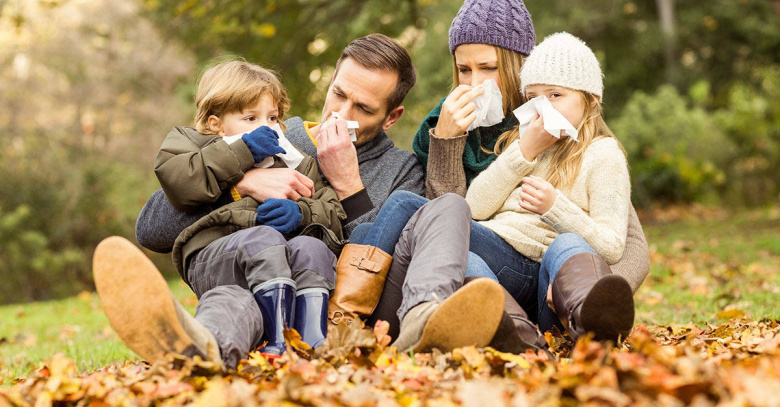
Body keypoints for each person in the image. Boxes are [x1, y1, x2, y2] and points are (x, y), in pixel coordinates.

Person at [349, 0, 650, 349]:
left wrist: (583, 286)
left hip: (551, 280)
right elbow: (440, 226)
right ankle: (510, 332)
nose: (474, 84)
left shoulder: (563, 126)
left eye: (488, 67)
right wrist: (447, 143)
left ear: (520, 66)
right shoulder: (445, 124)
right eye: (463, 70)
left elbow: (628, 245)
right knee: (439, 236)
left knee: (562, 246)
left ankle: (586, 320)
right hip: (480, 262)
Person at [98, 59, 346, 367]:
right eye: (250, 118)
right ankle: (212, 348)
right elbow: (180, 180)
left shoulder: (296, 163)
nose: (266, 127)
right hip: (215, 259)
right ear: (216, 123)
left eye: (272, 117)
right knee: (254, 251)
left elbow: (333, 213)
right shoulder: (191, 144)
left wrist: (301, 213)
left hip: (275, 271)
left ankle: (302, 346)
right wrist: (242, 153)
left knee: (306, 252)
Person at [466, 32, 636, 341]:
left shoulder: (603, 154)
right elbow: (474, 208)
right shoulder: (524, 143)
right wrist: (525, 151)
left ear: (591, 100)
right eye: (534, 98)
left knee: (567, 244)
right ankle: (514, 333)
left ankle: (593, 324)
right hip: (505, 267)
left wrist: (554, 207)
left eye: (555, 95)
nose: (543, 107)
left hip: (552, 287)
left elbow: (612, 247)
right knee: (452, 233)